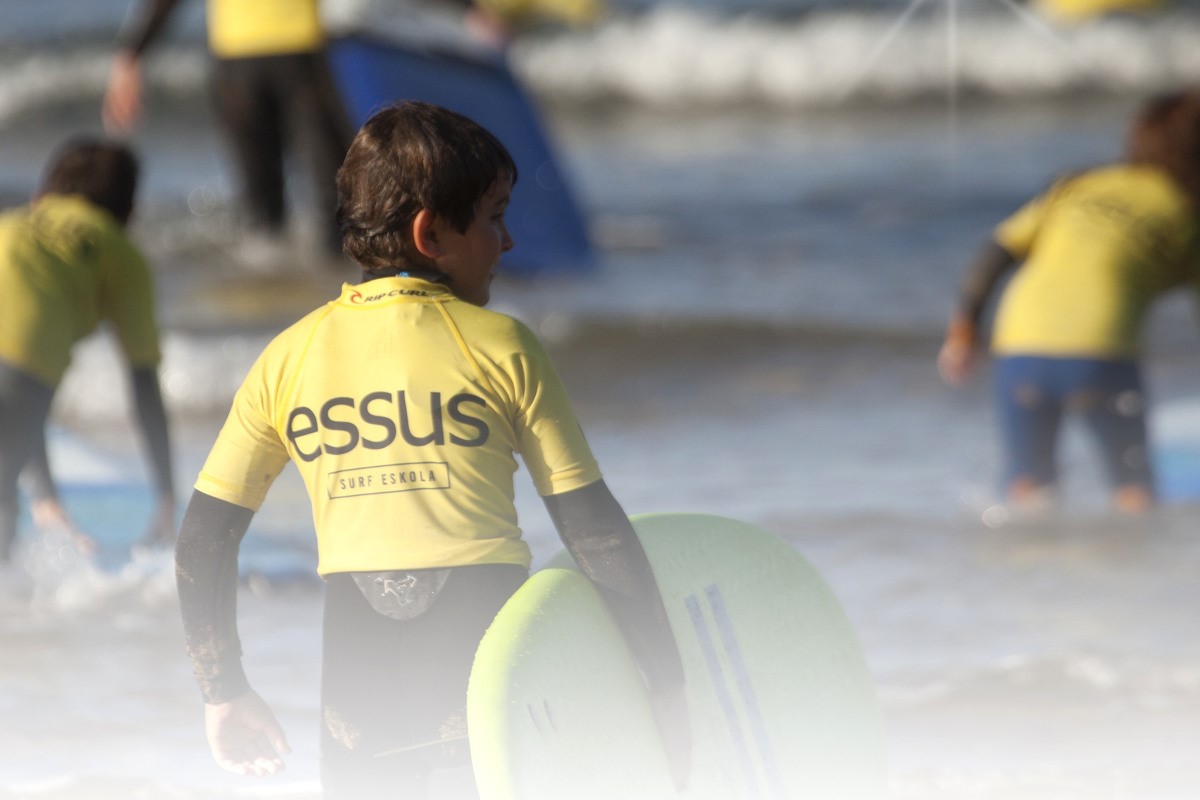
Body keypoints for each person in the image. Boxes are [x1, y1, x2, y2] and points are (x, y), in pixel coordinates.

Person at [175, 101, 688, 798]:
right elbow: (593, 529)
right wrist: (663, 681)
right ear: (432, 233)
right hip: (492, 677)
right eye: (496, 216)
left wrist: (223, 690)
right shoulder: (503, 346)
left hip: (355, 692)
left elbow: (204, 537)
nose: (506, 243)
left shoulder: (287, 358)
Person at [937, 88, 1200, 515]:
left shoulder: (1077, 185)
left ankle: (1024, 574)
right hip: (1102, 353)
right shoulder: (1187, 214)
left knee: (1028, 487)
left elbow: (998, 249)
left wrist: (964, 326)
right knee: (1134, 489)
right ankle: (1138, 577)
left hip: (1019, 344)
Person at [0, 138, 176, 563]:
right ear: (127, 214)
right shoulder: (117, 250)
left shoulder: (11, 224)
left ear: (44, 193)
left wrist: (45, 496)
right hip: (19, 381)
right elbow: (144, 385)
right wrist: (167, 497)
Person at [103, 0, 354, 264]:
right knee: (330, 191)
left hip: (237, 60)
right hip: (301, 51)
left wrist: (132, 53)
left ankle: (271, 286)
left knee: (262, 209)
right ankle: (329, 284)